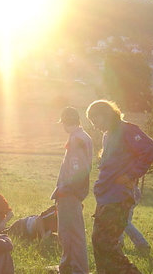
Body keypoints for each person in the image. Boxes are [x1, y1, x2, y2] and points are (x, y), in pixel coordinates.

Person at [87, 100, 153, 274]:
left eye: (95, 120)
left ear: (105, 114)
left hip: (118, 197)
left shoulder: (127, 130)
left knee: (107, 244)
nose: (95, 126)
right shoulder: (108, 135)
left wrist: (131, 174)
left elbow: (152, 149)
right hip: (105, 196)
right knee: (98, 242)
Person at [50, 106, 93, 274]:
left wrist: (66, 189)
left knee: (73, 233)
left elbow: (77, 167)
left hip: (69, 194)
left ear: (66, 122)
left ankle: (78, 269)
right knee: (65, 232)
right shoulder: (83, 137)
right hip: (71, 193)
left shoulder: (76, 139)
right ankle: (66, 266)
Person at [119, 183, 151, 254]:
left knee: (125, 222)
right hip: (130, 190)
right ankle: (119, 243)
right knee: (119, 220)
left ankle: (142, 244)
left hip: (128, 191)